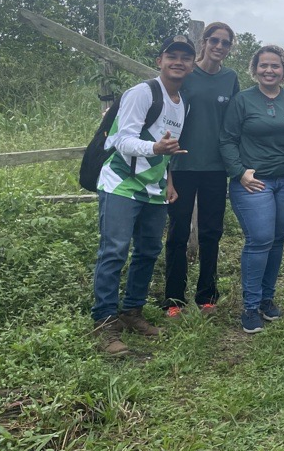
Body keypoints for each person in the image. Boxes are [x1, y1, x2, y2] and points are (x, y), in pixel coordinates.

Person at [91, 35, 195, 356]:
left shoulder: (183, 103)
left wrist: (169, 180)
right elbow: (123, 140)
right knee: (115, 251)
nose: (178, 62)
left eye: (185, 57)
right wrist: (154, 148)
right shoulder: (143, 93)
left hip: (154, 187)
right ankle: (104, 321)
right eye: (171, 56)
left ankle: (132, 311)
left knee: (149, 250)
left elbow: (169, 149)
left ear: (192, 65)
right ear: (159, 61)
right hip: (121, 183)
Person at [220, 45, 284, 334]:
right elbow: (227, 140)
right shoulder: (242, 101)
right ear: (254, 69)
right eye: (263, 65)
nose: (269, 70)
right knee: (260, 239)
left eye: (275, 66)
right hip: (254, 182)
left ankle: (267, 299)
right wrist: (239, 172)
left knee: (278, 240)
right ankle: (250, 306)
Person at [162, 22, 239, 317]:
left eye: (225, 43)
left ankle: (207, 295)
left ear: (230, 48)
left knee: (211, 232)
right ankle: (173, 299)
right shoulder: (186, 75)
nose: (219, 47)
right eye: (214, 41)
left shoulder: (230, 79)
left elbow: (233, 121)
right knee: (178, 233)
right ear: (204, 42)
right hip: (181, 165)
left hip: (216, 168)